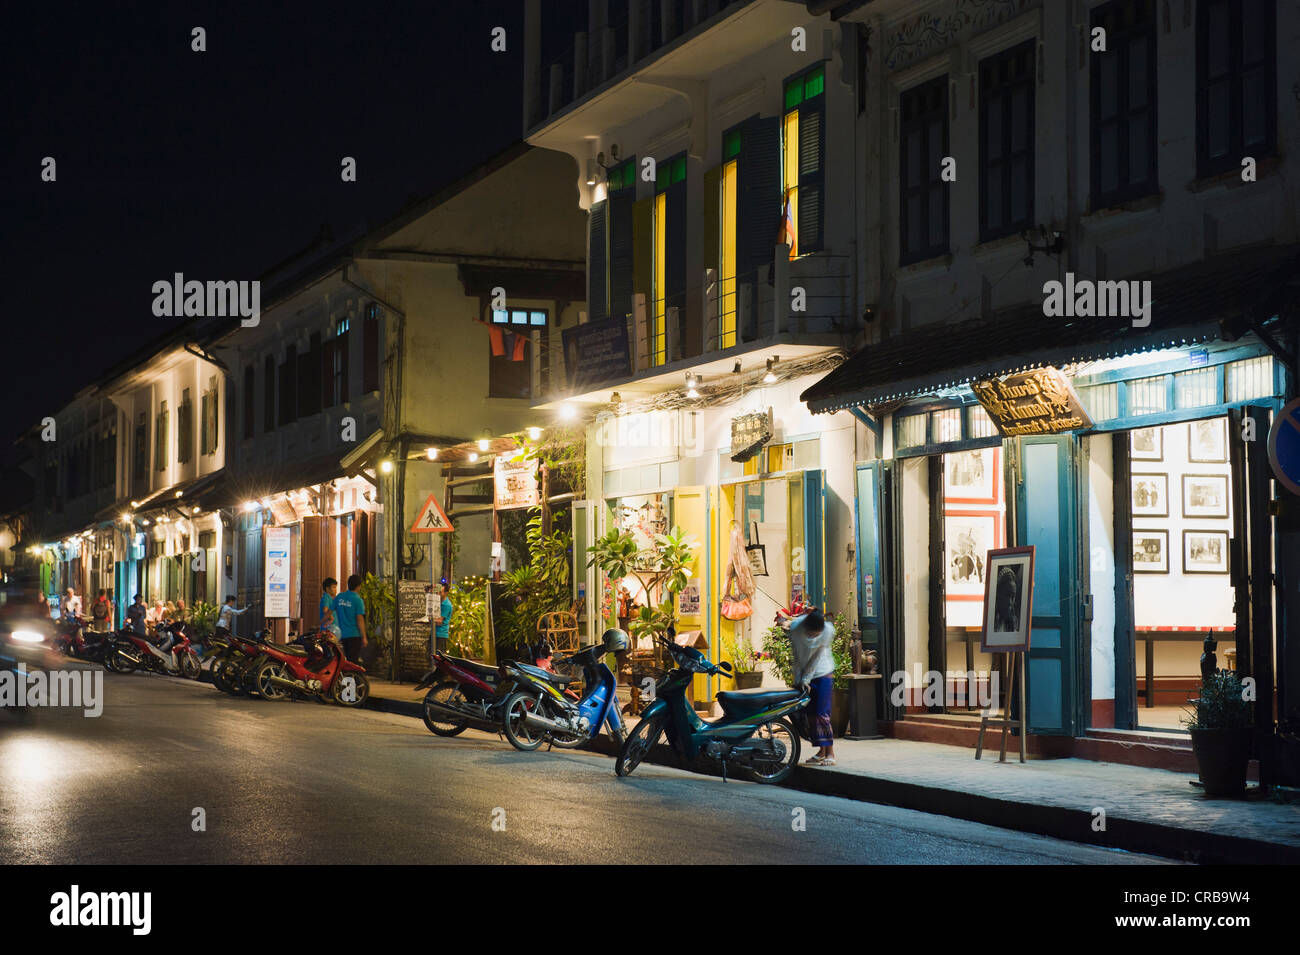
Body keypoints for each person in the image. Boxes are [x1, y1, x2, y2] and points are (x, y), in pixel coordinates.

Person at [788, 607, 837, 767]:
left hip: (822, 672)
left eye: (817, 634)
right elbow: (796, 656)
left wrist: (806, 679)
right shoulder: (796, 628)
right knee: (810, 715)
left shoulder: (828, 631)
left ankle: (830, 753)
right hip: (804, 674)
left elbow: (816, 656)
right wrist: (798, 680)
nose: (813, 637)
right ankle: (820, 752)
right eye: (811, 634)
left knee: (822, 714)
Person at [332, 574, 368, 663]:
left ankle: (347, 677)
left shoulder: (339, 597)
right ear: (359, 586)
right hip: (354, 635)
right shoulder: (358, 600)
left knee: (345, 661)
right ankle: (350, 677)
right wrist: (364, 637)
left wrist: (322, 622)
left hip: (342, 635)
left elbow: (329, 611)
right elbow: (360, 619)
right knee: (352, 662)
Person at [433, 582, 452, 655]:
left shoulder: (446, 605)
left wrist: (429, 620)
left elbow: (439, 622)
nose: (438, 594)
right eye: (437, 592)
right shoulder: (438, 602)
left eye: (440, 592)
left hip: (440, 634)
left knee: (439, 658)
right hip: (435, 633)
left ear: (446, 593)